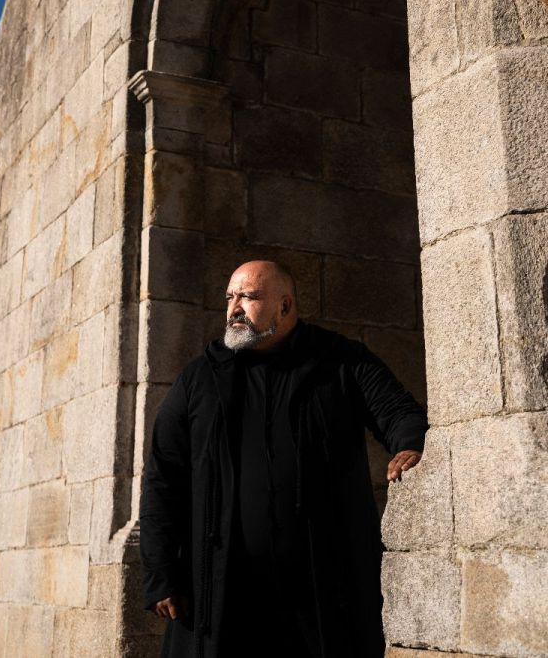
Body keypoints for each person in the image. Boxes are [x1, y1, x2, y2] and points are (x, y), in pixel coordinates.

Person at [140, 260, 428, 658]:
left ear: (285, 306)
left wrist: (408, 445)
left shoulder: (341, 361)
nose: (235, 308)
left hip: (320, 589)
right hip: (224, 592)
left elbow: (398, 411)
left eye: (249, 297)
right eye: (230, 297)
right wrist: (160, 573)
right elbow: (163, 476)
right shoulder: (199, 379)